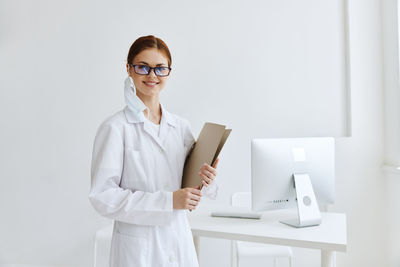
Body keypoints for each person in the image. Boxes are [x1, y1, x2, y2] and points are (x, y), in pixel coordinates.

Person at [89, 35, 219, 267]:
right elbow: (103, 197)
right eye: (143, 67)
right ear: (129, 69)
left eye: (160, 68)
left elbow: (194, 188)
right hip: (138, 249)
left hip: (178, 240)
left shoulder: (180, 127)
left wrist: (206, 181)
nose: (152, 75)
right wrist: (167, 201)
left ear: (169, 72)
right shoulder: (115, 128)